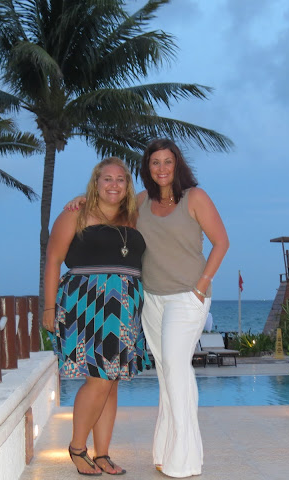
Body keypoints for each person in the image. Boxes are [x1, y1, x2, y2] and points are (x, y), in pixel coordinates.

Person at [44, 156, 150, 476]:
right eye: (107, 179)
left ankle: (102, 454)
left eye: (121, 179)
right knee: (99, 379)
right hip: (87, 303)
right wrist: (48, 308)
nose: (114, 185)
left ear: (128, 185)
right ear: (95, 183)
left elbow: (165, 191)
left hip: (126, 303)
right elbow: (53, 260)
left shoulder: (134, 215)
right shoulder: (74, 214)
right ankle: (78, 448)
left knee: (111, 382)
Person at [137, 139, 229, 478]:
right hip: (152, 298)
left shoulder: (195, 197)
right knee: (166, 373)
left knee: (176, 368)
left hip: (188, 296)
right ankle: (165, 450)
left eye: (167, 161)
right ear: (147, 168)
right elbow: (106, 210)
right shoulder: (140, 202)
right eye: (155, 162)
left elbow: (222, 242)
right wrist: (81, 201)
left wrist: (201, 286)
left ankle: (185, 458)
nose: (161, 168)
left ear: (177, 165)